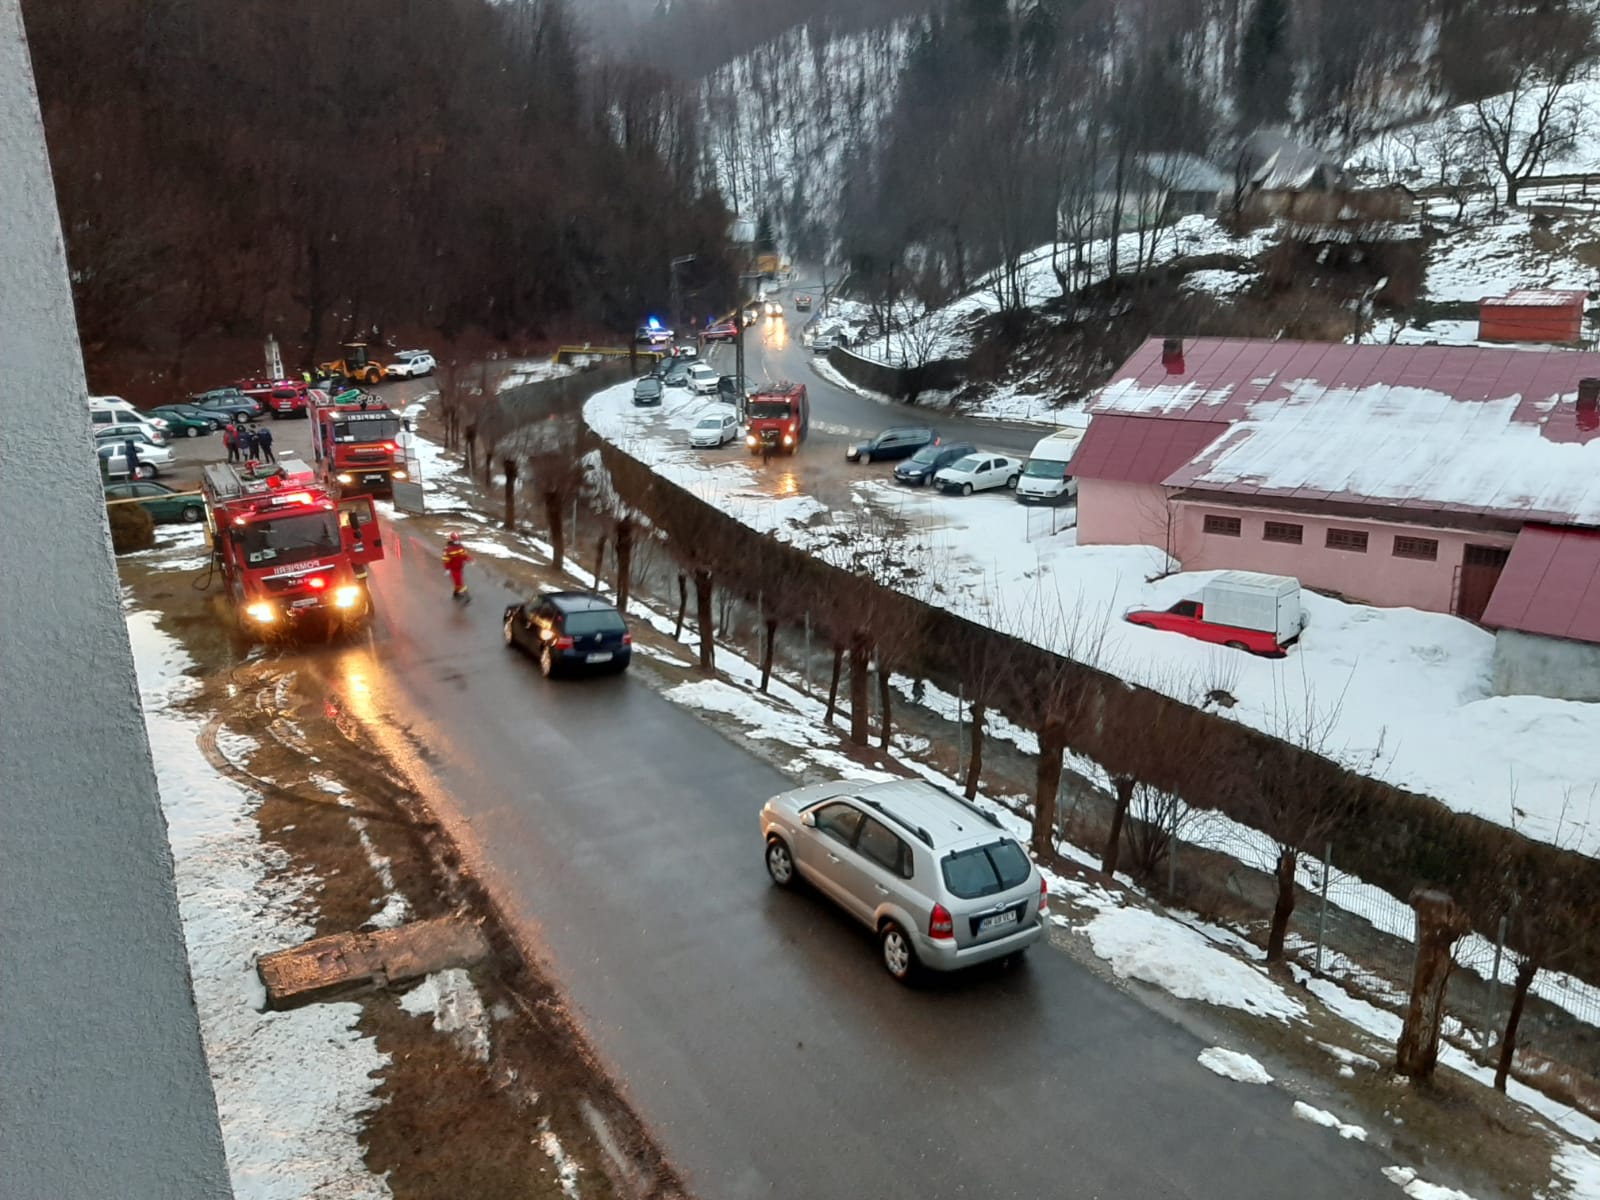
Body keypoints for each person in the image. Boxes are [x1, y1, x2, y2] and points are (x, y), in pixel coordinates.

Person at [442, 533, 471, 602]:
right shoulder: (448, 549)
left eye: (458, 540)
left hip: (460, 567)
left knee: (458, 581)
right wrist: (447, 569)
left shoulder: (460, 546)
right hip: (453, 569)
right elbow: (446, 560)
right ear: (452, 540)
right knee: (459, 583)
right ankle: (467, 596)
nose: (457, 542)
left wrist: (469, 559)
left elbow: (464, 555)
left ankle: (456, 594)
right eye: (456, 540)